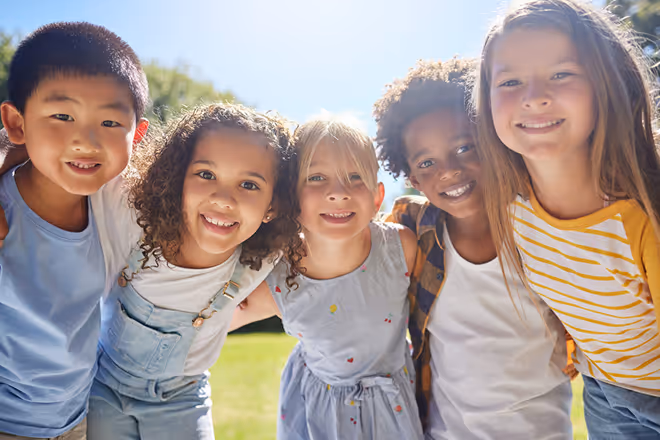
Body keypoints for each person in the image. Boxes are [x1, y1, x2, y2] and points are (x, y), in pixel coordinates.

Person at [475, 0, 660, 438]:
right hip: (604, 394)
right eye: (510, 80)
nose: (533, 96)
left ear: (605, 83)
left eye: (561, 74)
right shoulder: (512, 208)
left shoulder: (643, 215)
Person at [374, 58, 572, 439]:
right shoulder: (413, 232)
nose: (448, 170)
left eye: (465, 147)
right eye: (427, 162)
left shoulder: (541, 225)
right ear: (413, 177)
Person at [86, 103, 304, 440]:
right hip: (103, 386)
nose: (224, 199)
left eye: (249, 185)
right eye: (206, 174)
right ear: (178, 179)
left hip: (182, 400)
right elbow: (35, 148)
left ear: (272, 207)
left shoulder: (262, 258)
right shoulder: (130, 216)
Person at [230, 116, 424, 440]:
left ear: (377, 197)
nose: (338, 192)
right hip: (321, 412)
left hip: (393, 403)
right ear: (291, 199)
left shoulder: (400, 248)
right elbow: (208, 323)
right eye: (317, 178)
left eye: (354, 177)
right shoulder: (278, 278)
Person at [0, 22, 149, 439]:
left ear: (136, 136)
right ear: (17, 123)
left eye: (109, 122)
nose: (86, 141)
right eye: (62, 116)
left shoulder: (117, 209)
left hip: (78, 422)